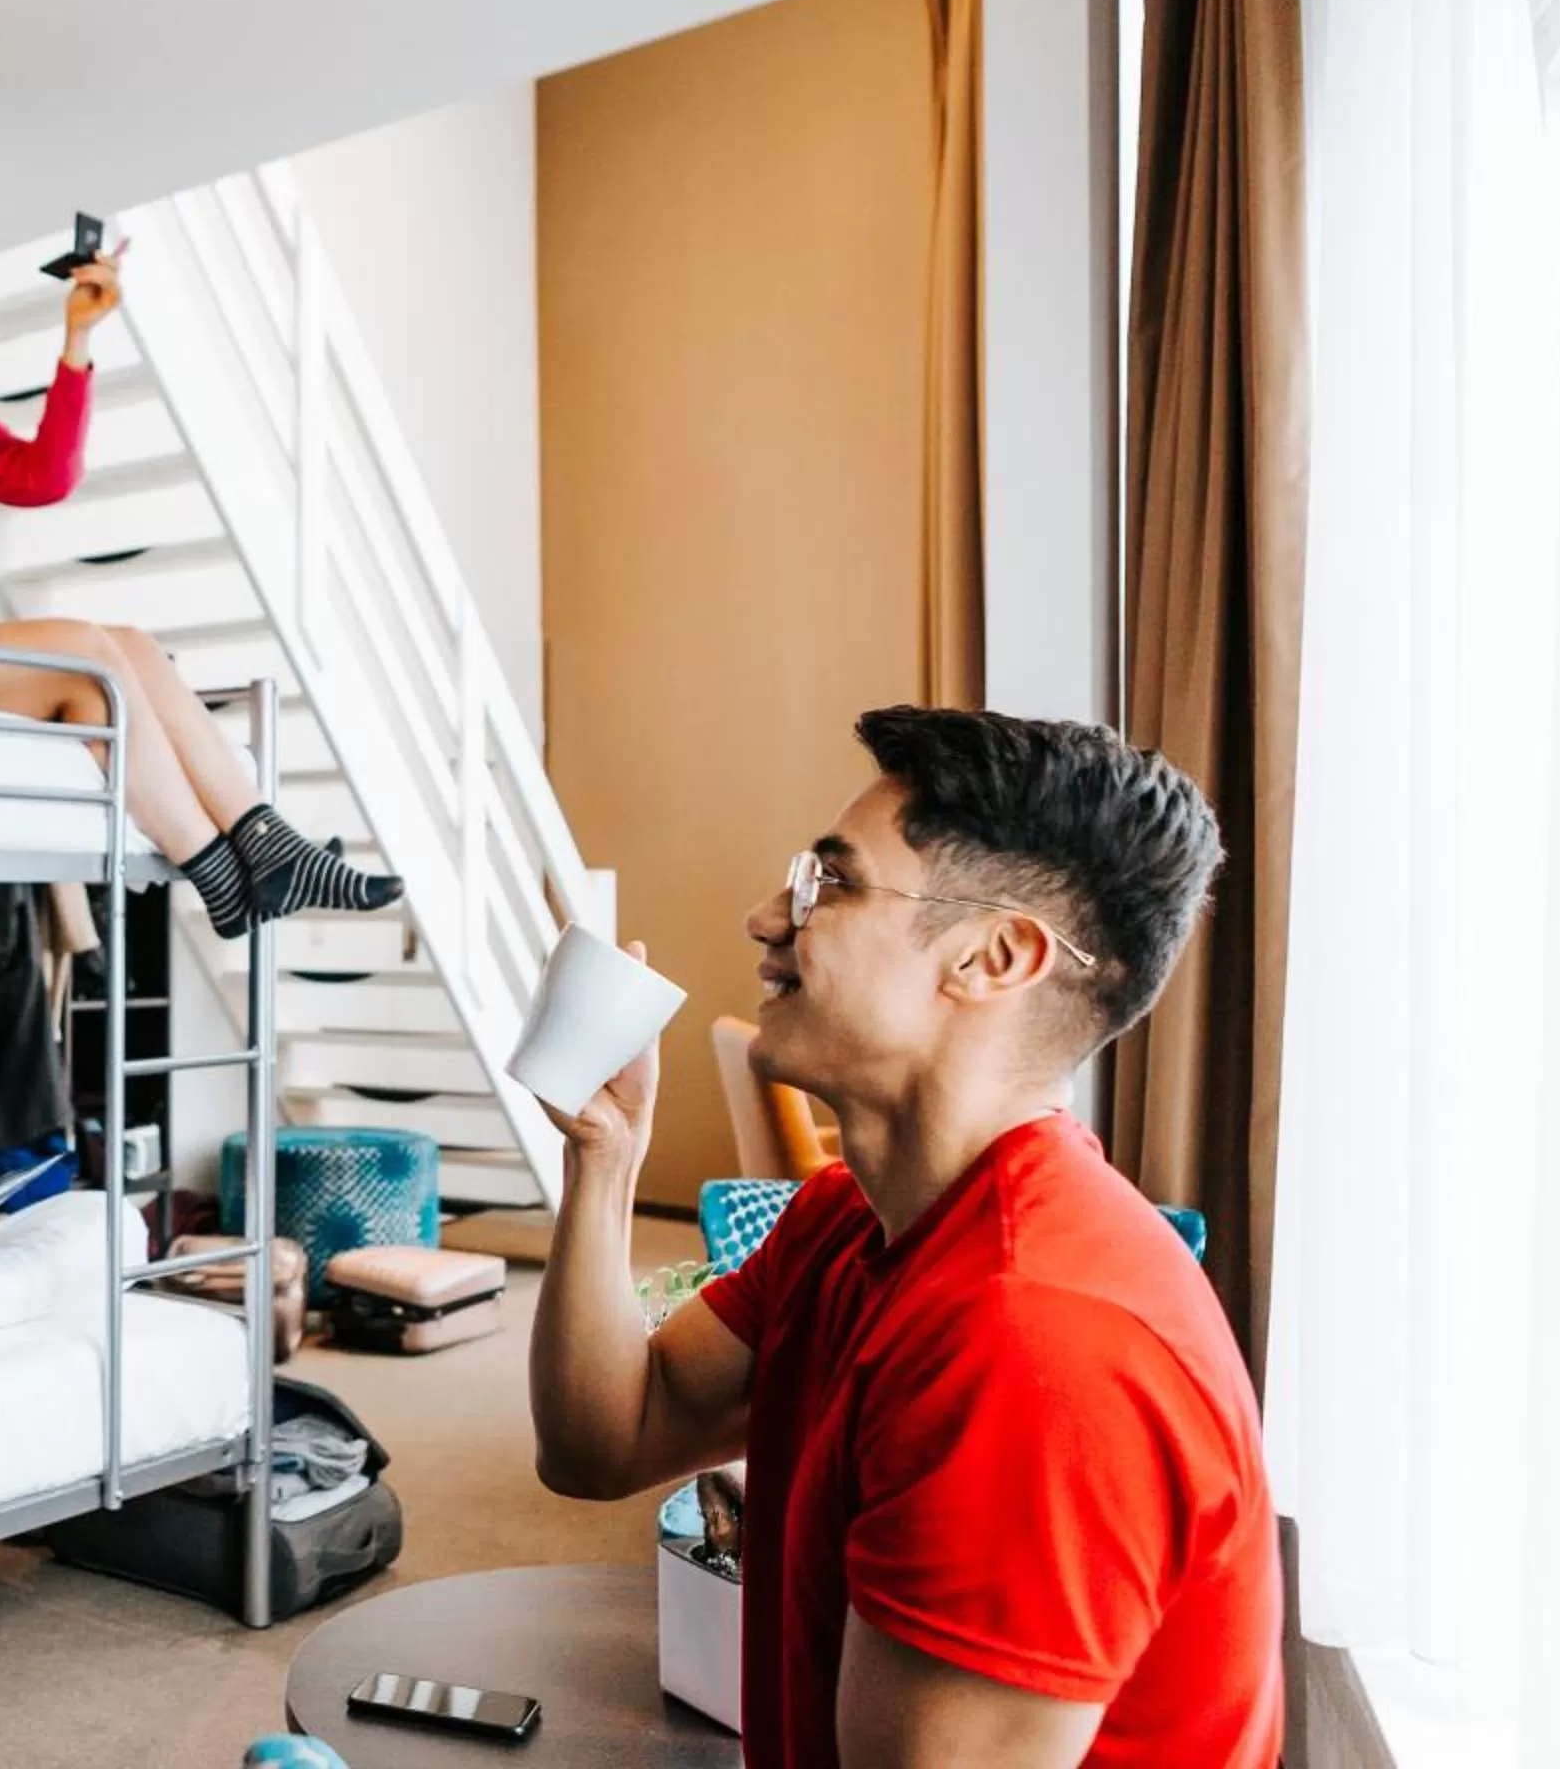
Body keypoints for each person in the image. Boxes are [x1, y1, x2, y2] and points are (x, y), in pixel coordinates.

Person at [525, 708, 1281, 1766]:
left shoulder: (1034, 1340)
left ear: (992, 956)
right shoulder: (848, 1215)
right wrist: (605, 1157)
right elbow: (605, 1442)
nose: (765, 918)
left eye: (831, 883)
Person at [0, 180, 401, 937]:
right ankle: (236, 865)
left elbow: (45, 477)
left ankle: (248, 854)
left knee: (125, 657)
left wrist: (77, 341)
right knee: (88, 651)